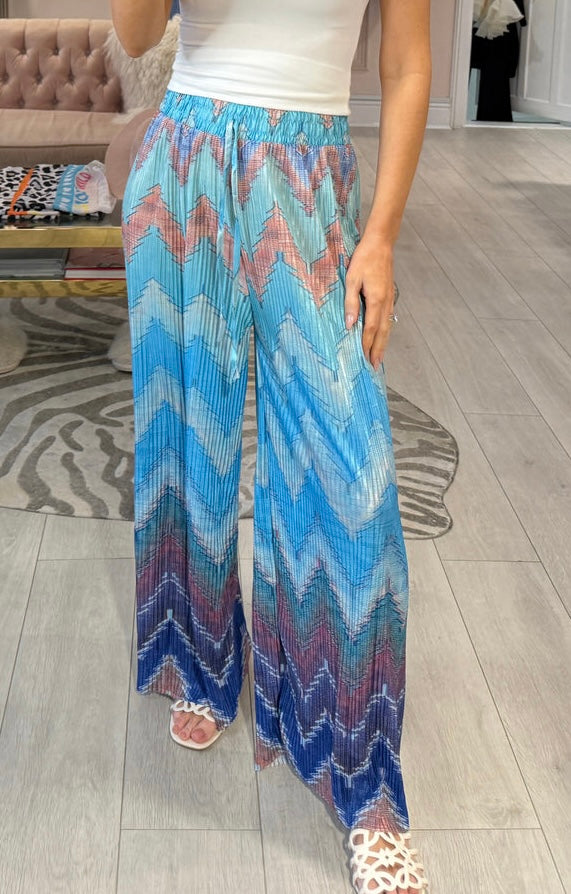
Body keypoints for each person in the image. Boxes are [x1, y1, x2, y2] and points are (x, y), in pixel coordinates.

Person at [114, 0, 432, 891]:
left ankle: (365, 785)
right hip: (182, 163)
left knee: (351, 476)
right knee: (186, 440)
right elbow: (135, 35)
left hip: (310, 176)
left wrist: (381, 235)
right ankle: (201, 659)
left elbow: (406, 66)